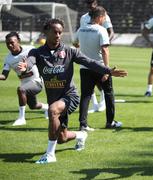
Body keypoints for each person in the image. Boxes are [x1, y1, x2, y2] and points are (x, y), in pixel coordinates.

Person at [18, 18, 127, 164]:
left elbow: (89, 62)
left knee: (52, 110)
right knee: (62, 138)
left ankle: (49, 155)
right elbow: (29, 61)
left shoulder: (69, 51)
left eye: (60, 33)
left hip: (70, 96)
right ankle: (81, 135)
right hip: (54, 98)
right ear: (46, 32)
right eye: (55, 32)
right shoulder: (37, 52)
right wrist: (25, 66)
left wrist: (108, 70)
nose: (58, 35)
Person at [76, 6, 122, 131]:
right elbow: (105, 50)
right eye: (104, 17)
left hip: (84, 67)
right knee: (108, 94)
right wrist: (107, 70)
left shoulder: (81, 29)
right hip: (99, 67)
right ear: (99, 17)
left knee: (86, 95)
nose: (104, 20)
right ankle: (110, 122)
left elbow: (75, 44)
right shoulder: (101, 30)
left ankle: (83, 124)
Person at [0, 32, 48, 126]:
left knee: (21, 89)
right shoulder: (8, 59)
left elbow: (42, 58)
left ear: (18, 41)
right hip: (26, 85)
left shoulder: (30, 50)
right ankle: (48, 108)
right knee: (33, 106)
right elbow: (4, 76)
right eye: (7, 43)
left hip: (37, 82)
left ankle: (21, 118)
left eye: (12, 42)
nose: (10, 45)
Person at [79, 0, 115, 113]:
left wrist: (104, 41)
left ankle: (102, 101)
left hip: (98, 55)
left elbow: (111, 31)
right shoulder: (83, 18)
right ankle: (95, 105)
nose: (91, 5)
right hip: (89, 58)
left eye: (93, 3)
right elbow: (79, 37)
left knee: (98, 86)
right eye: (89, 3)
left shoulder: (103, 15)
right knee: (91, 88)